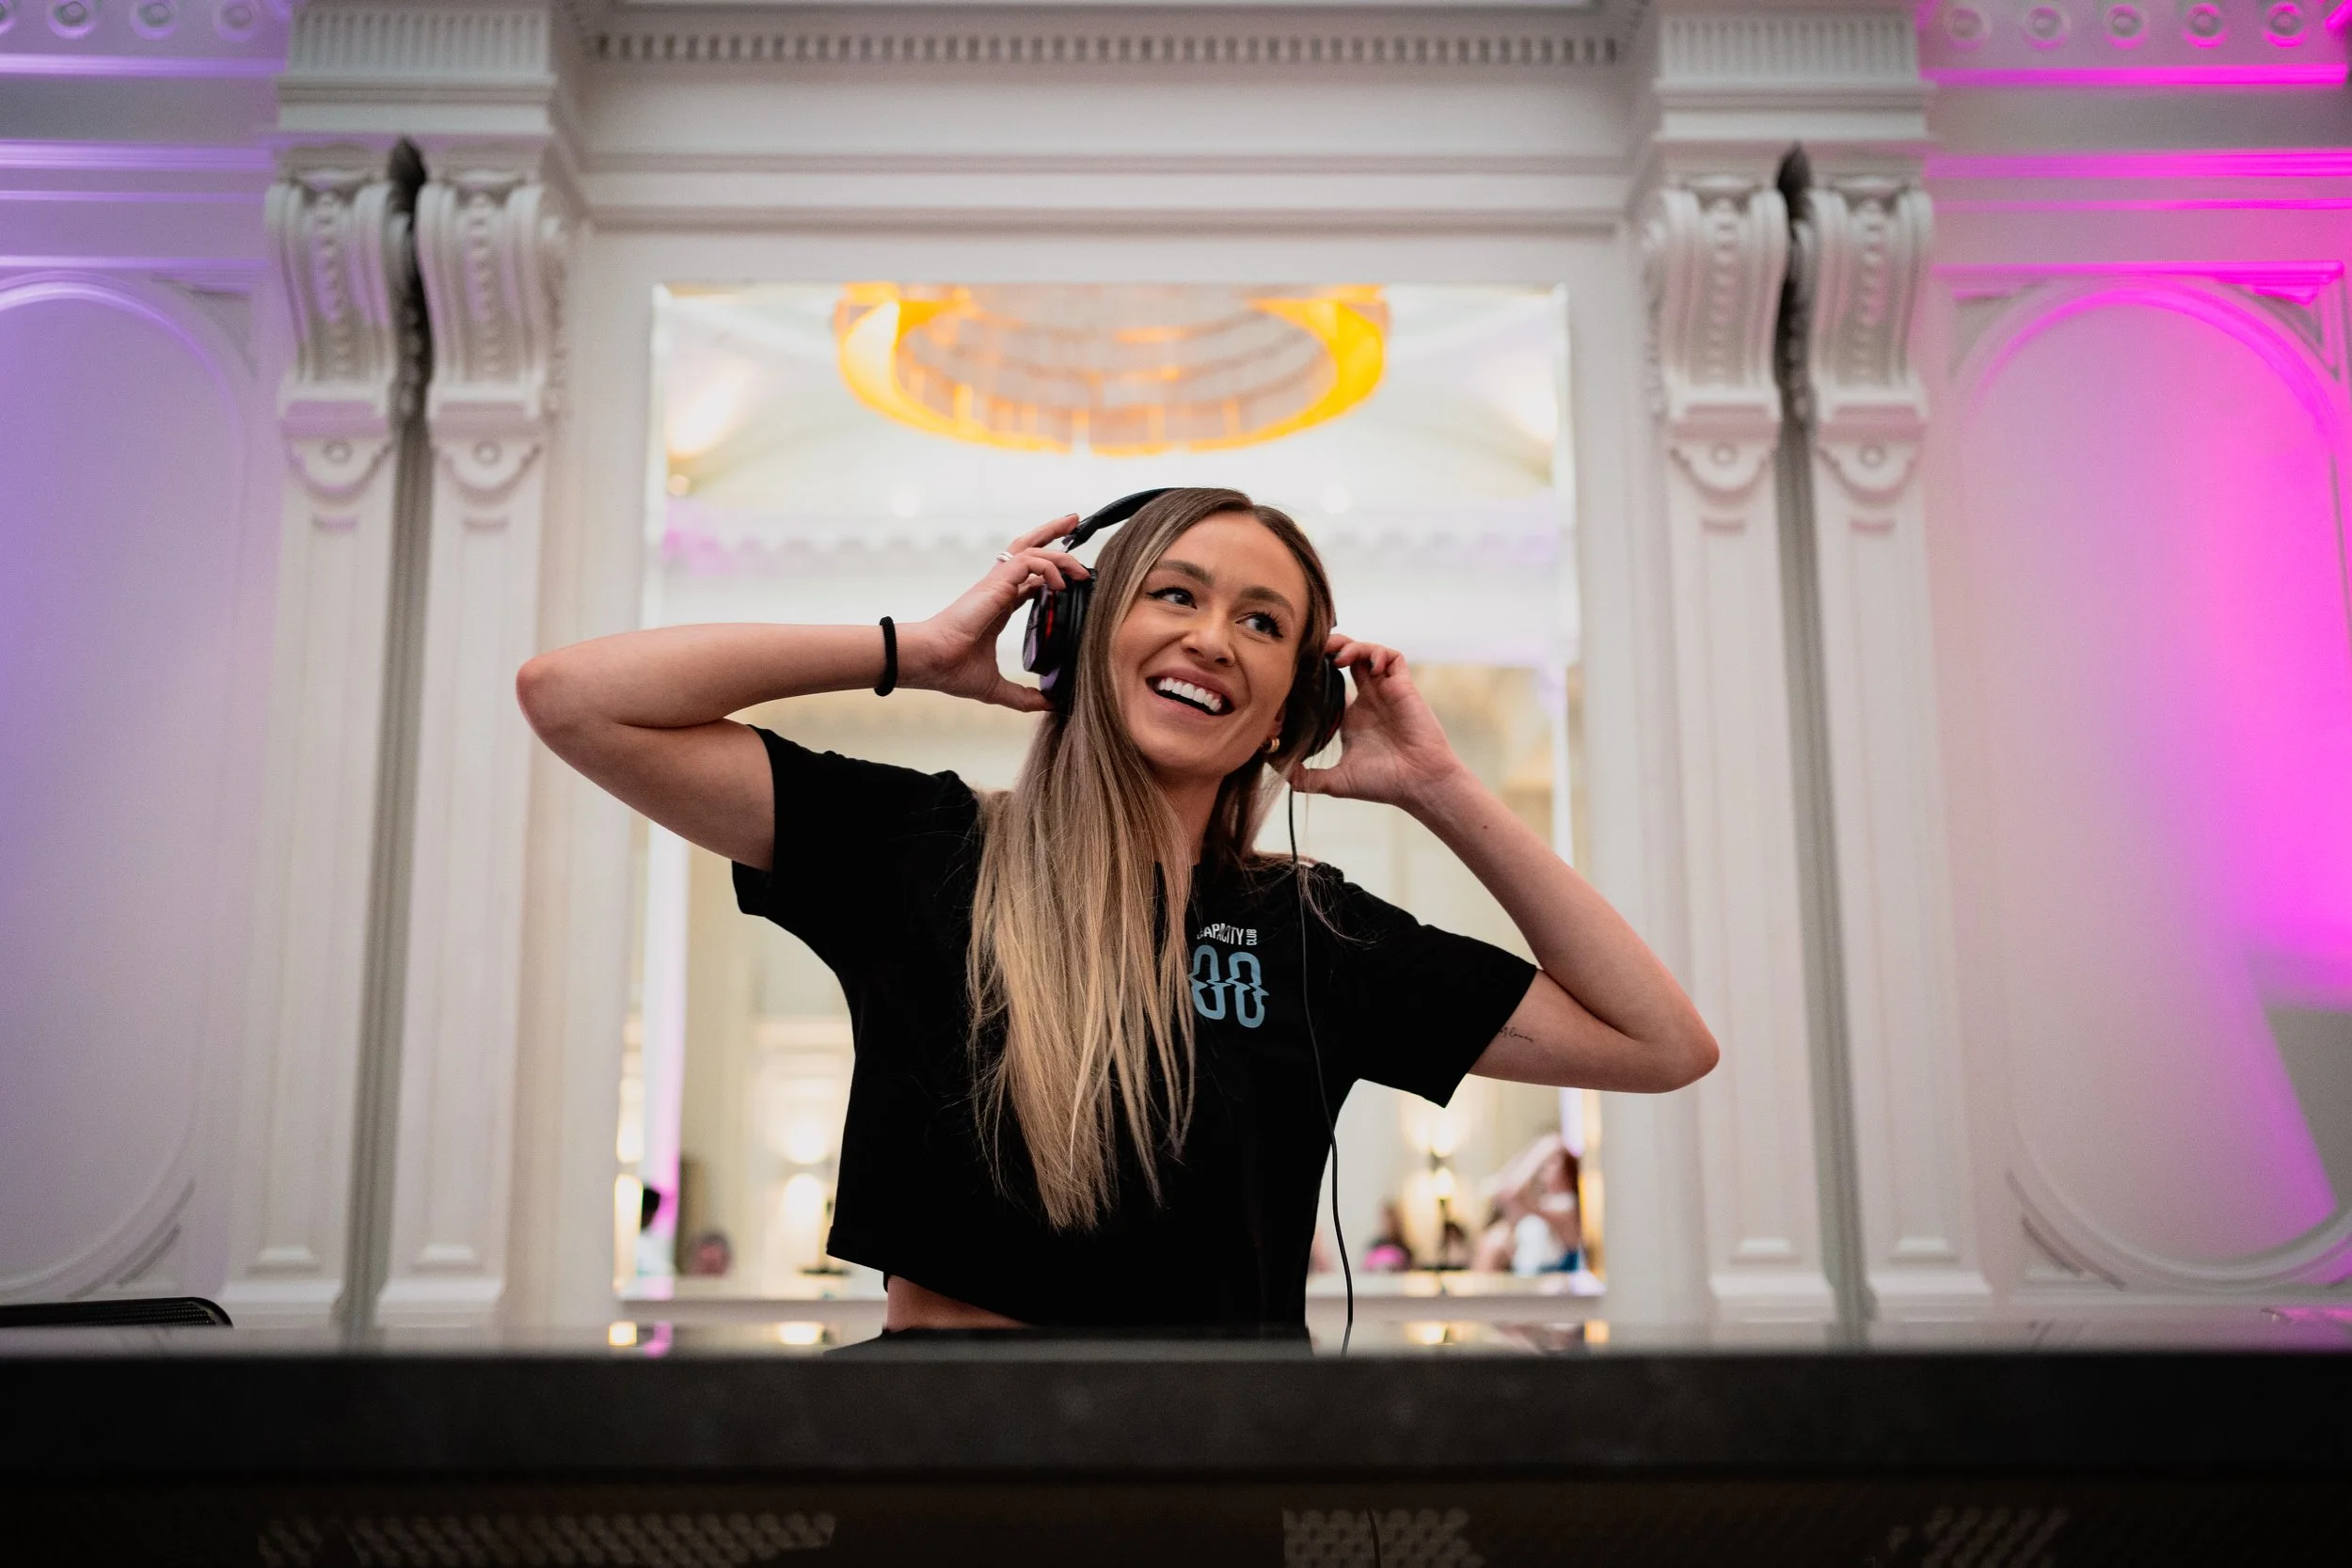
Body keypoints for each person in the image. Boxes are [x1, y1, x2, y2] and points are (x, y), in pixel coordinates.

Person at [518, 488, 1716, 1330]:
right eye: (1175, 594)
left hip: (1212, 1483)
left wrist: (1441, 788)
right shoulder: (923, 849)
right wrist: (915, 646)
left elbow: (1659, 1042)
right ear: (1079, 632)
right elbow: (572, 698)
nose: (1211, 636)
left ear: (1293, 709)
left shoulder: (1319, 932)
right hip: (936, 1466)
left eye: (1262, 621)